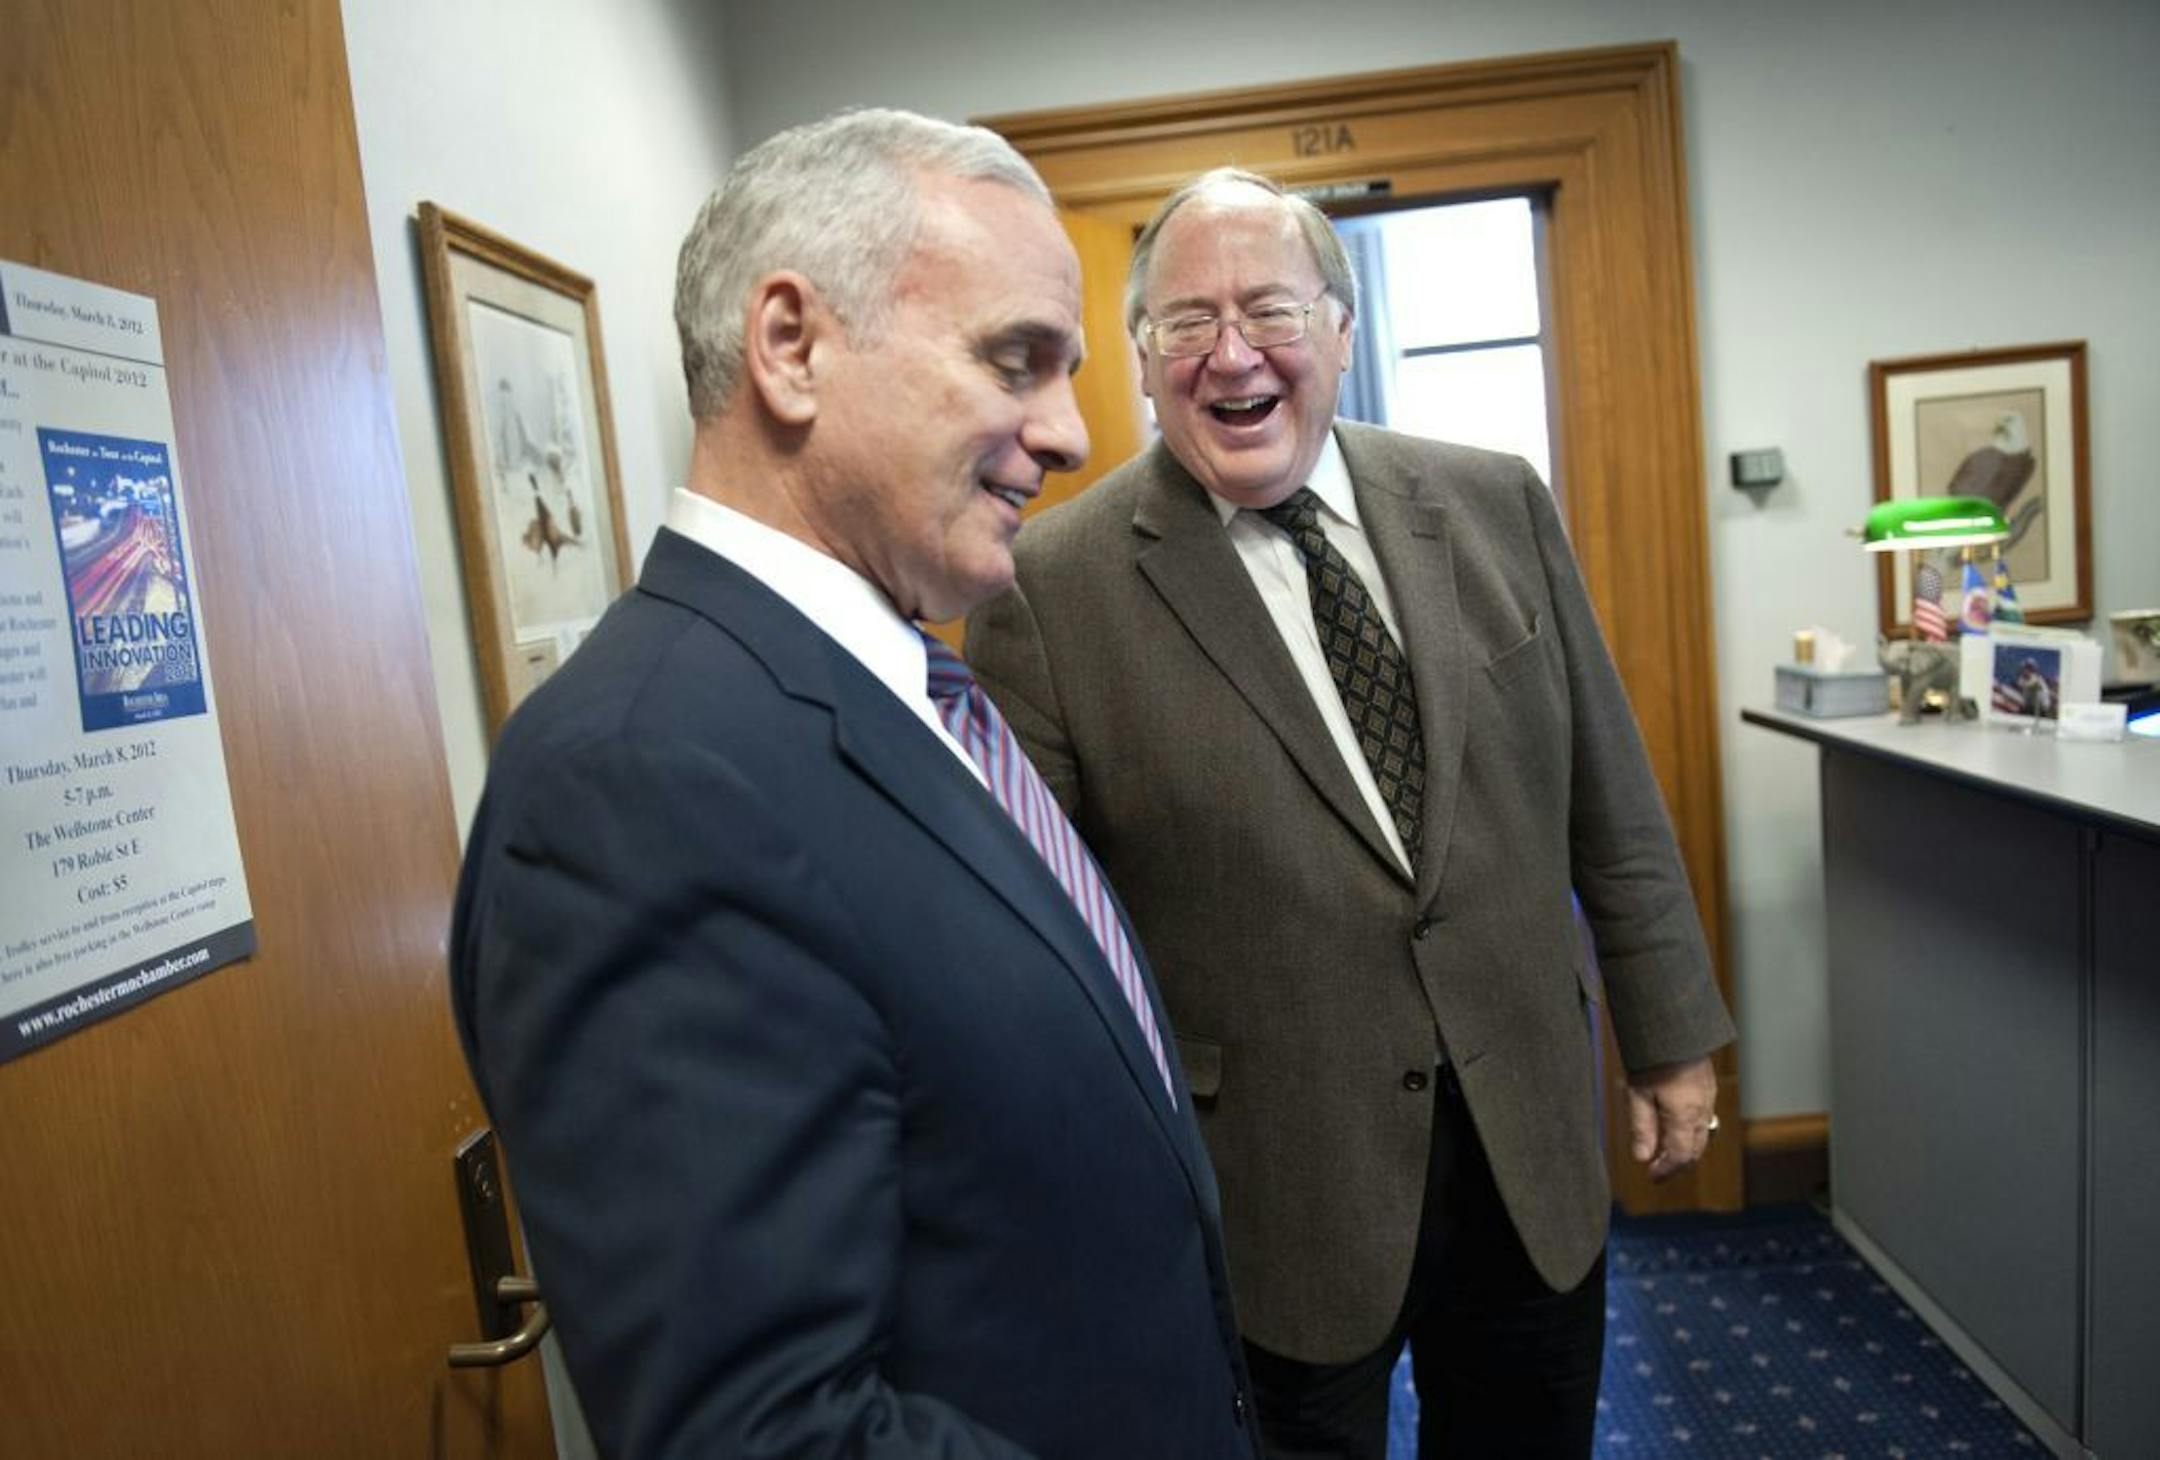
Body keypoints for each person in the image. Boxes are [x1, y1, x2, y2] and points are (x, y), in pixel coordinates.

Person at [450, 113, 1259, 1460]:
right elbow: (765, 1432)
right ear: (791, 346)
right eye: (1016, 361)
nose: (1068, 434)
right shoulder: (636, 784)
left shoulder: (896, 683)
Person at [964, 168, 1736, 1459]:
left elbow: (1608, 791)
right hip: (1274, 1183)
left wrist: (1670, 1038)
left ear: (1340, 329)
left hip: (1525, 1140)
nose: (1232, 356)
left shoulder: (1494, 503)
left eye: (1268, 311)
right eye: (1185, 326)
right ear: (1144, 364)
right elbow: (1036, 940)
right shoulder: (1047, 586)